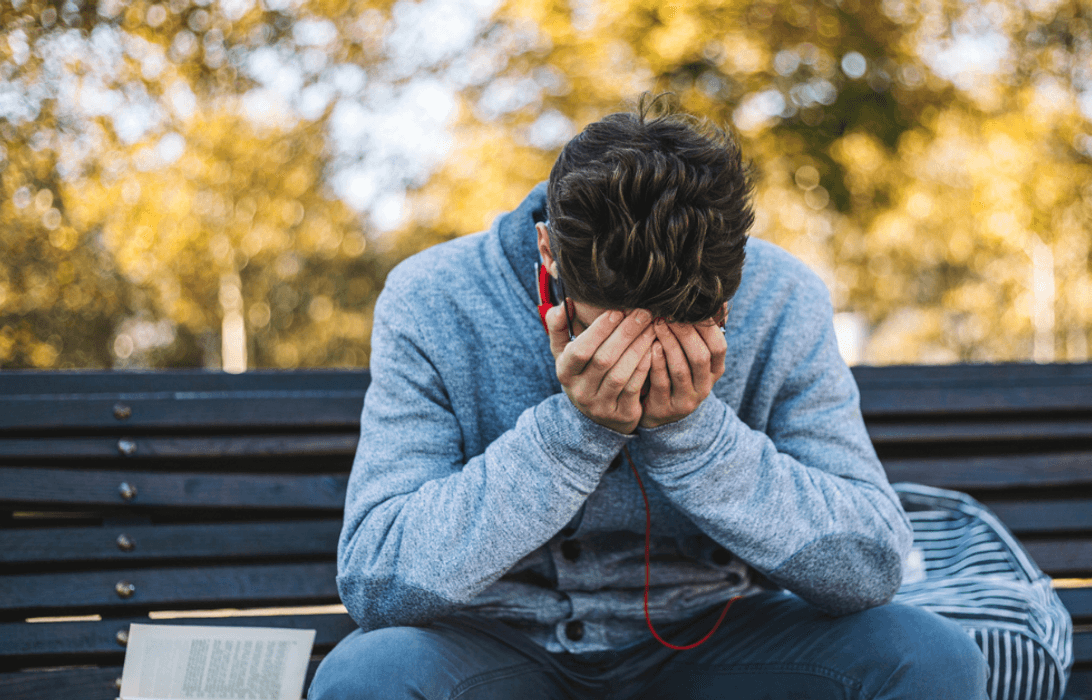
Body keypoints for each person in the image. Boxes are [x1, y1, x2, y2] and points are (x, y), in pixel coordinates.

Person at [308, 95, 990, 700]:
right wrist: (571, 435)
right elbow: (377, 581)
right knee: (367, 677)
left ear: (736, 274)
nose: (641, 360)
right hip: (493, 647)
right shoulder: (433, 297)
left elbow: (871, 568)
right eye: (610, 330)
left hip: (717, 640)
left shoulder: (782, 296)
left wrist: (697, 437)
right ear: (548, 253)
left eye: (686, 328)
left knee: (926, 656)